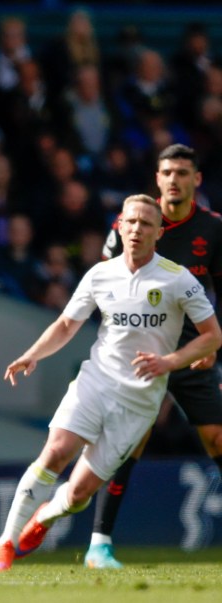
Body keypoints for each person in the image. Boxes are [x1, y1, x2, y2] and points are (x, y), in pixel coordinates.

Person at [0, 194, 222, 573]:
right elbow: (66, 325)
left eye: (146, 223)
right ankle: (4, 544)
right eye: (130, 222)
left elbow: (212, 335)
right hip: (95, 382)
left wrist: (169, 361)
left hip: (140, 401)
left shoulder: (178, 279)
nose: (136, 229)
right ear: (120, 226)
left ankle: (45, 516)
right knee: (55, 452)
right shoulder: (100, 274)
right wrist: (33, 354)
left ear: (159, 233)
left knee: (79, 496)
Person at [84, 144, 222, 568]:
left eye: (183, 172)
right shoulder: (133, 223)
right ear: (158, 179)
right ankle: (99, 545)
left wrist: (212, 345)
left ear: (196, 179)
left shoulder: (214, 229)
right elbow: (104, 284)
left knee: (217, 437)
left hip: (189, 352)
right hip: (140, 353)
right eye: (167, 172)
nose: (174, 179)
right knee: (130, 443)